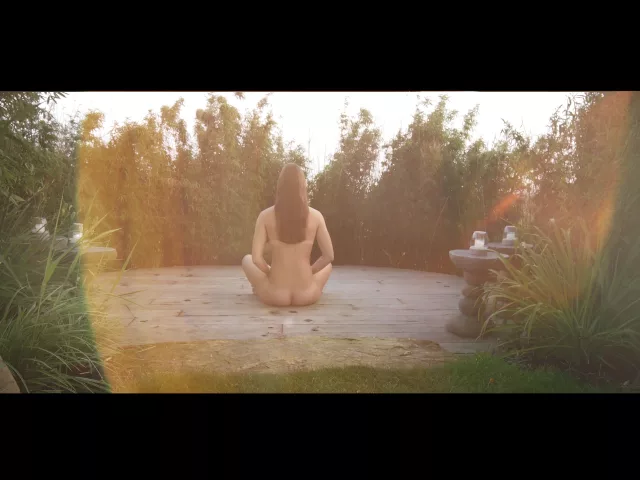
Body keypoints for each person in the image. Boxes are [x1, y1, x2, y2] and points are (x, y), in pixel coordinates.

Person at [242, 163, 334, 306]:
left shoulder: (265, 216)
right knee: (328, 266)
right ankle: (310, 283)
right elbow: (329, 256)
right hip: (307, 294)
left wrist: (269, 273)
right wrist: (310, 271)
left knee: (247, 260)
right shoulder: (316, 216)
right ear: (303, 186)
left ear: (280, 186)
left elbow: (256, 259)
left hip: (275, 294)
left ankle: (260, 288)